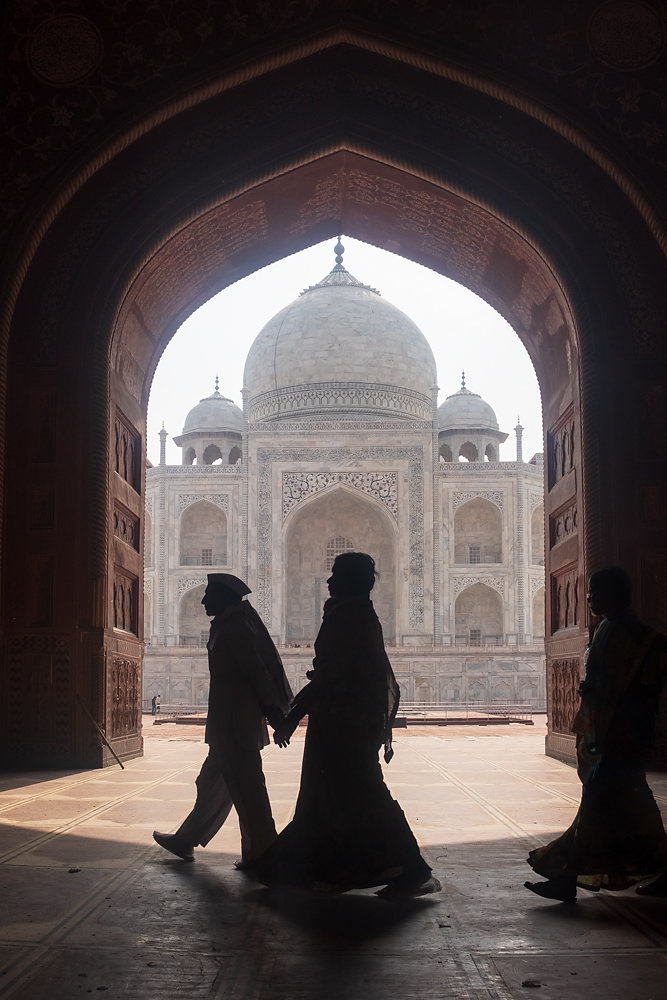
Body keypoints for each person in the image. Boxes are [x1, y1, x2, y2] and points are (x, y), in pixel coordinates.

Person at [254, 552, 440, 898]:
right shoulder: (355, 614)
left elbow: (332, 674)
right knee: (340, 797)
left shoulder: (350, 617)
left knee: (361, 793)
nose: (329, 580)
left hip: (347, 722)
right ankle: (340, 868)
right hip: (347, 719)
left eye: (336, 574)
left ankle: (412, 868)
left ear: (350, 580)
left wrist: (295, 714)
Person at [525, 566, 667, 903]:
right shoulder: (606, 628)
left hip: (626, 734)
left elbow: (652, 664)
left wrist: (633, 696)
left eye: (593, 591)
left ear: (613, 594)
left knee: (595, 804)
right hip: (608, 734)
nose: (587, 597)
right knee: (635, 807)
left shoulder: (636, 633)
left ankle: (565, 877)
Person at [153, 573, 292, 865]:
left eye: (209, 595)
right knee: (212, 783)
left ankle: (267, 855)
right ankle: (186, 839)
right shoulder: (228, 624)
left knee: (249, 789)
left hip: (236, 724)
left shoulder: (235, 627)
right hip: (228, 722)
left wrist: (273, 712)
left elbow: (256, 671)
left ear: (224, 598)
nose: (203, 600)